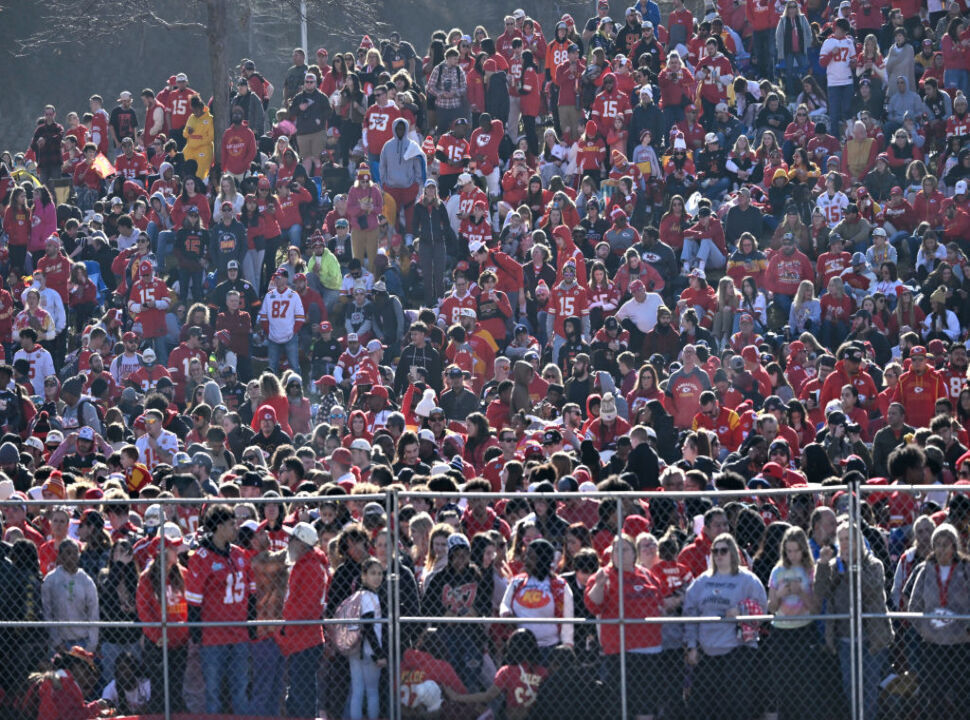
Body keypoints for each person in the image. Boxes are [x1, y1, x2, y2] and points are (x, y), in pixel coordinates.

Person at [815, 520, 893, 720]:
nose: (845, 543)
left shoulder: (874, 564)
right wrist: (823, 565)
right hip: (845, 639)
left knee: (869, 688)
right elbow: (821, 591)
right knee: (850, 687)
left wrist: (851, 569)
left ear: (859, 542)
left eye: (849, 539)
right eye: (841, 540)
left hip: (870, 638)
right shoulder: (834, 566)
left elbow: (869, 589)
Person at [683, 532, 767, 720]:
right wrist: (691, 645)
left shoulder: (748, 580)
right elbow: (689, 612)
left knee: (735, 705)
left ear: (733, 553)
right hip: (707, 651)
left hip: (738, 649)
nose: (718, 555)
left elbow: (763, 609)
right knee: (704, 707)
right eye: (715, 551)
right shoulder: (702, 581)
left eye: (723, 551)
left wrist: (741, 611)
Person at [585, 533, 666, 720]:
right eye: (615, 549)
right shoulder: (604, 575)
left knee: (646, 707)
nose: (619, 553)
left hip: (649, 650)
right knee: (619, 707)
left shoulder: (646, 574)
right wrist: (599, 585)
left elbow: (660, 603)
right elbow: (593, 605)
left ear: (634, 553)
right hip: (619, 651)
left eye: (624, 549)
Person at [185, 504, 254, 715]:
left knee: (240, 691)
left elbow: (251, 593)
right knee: (212, 693)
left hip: (239, 633)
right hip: (213, 636)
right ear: (219, 526)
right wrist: (196, 630)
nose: (236, 528)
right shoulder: (201, 558)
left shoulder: (240, 555)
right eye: (232, 524)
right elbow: (194, 601)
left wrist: (251, 621)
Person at [350, 557, 385, 720]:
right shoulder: (369, 597)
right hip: (369, 650)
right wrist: (379, 653)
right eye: (372, 573)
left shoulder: (358, 595)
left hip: (355, 647)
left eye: (380, 573)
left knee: (357, 690)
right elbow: (369, 628)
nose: (377, 577)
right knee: (371, 691)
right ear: (364, 576)